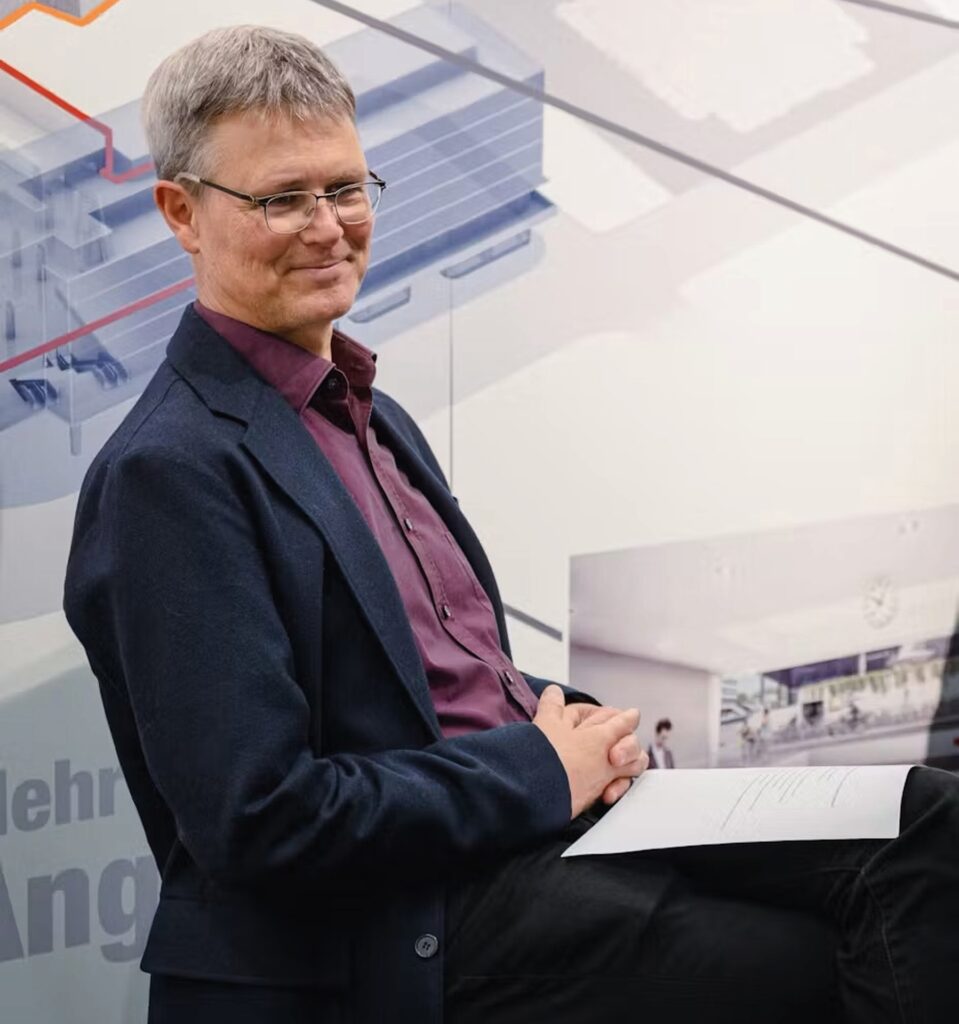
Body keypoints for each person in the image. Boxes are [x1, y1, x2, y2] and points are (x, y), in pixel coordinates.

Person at [63, 26, 959, 1024]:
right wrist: (538, 767)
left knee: (927, 822)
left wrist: (575, 728)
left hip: (526, 821)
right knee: (809, 960)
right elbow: (262, 819)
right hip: (405, 916)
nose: (328, 226)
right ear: (182, 213)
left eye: (346, 188)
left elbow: (447, 683)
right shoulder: (168, 473)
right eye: (282, 199)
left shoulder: (368, 415)